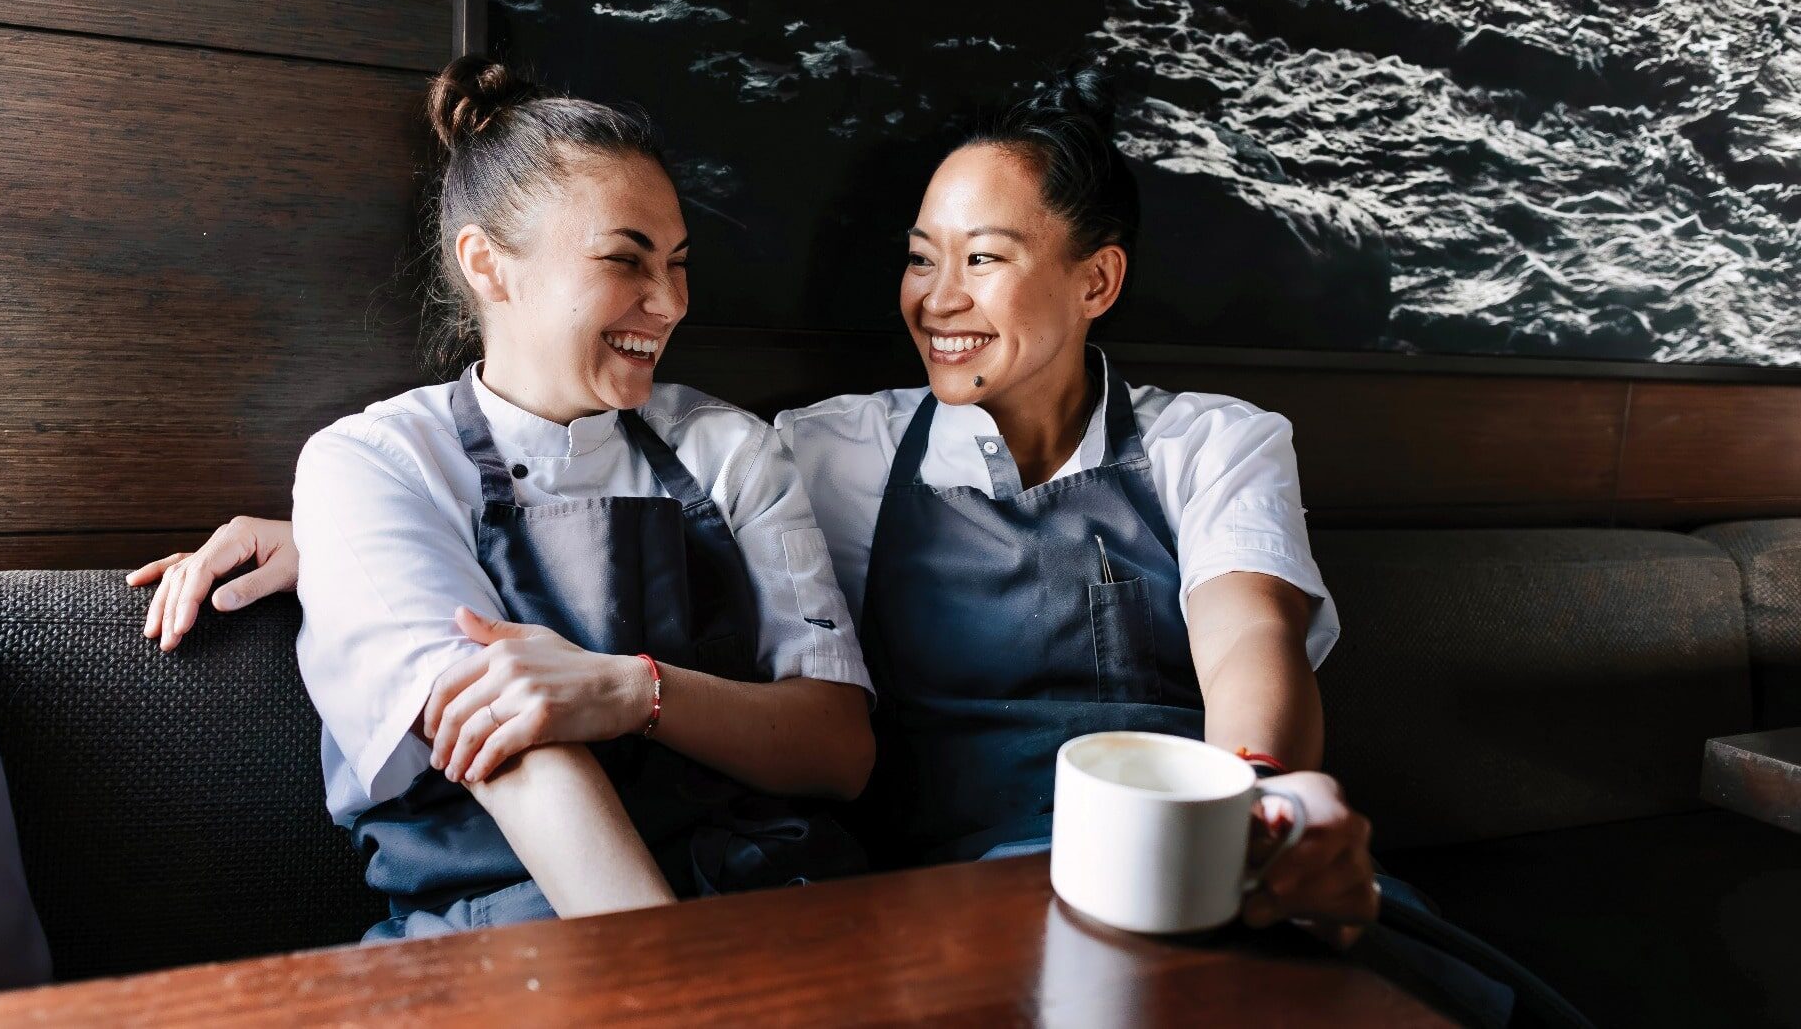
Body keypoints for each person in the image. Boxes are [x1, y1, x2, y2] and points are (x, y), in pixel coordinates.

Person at [136, 63, 1583, 1025]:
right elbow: (496, 558)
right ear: (487, 267)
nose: (938, 297)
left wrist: (1258, 812)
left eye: (986, 258)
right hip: (903, 907)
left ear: (1098, 280)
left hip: (1181, 854)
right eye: (919, 255)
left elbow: (1246, 647)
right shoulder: (830, 444)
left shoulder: (1207, 442)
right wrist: (337, 525)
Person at [181, 55, 876, 939]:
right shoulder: (373, 463)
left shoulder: (728, 448)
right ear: (488, 264)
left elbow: (841, 749)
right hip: (509, 936)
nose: (668, 302)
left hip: (770, 893)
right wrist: (678, 990)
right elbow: (511, 747)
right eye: (626, 259)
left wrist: (636, 690)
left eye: (678, 262)